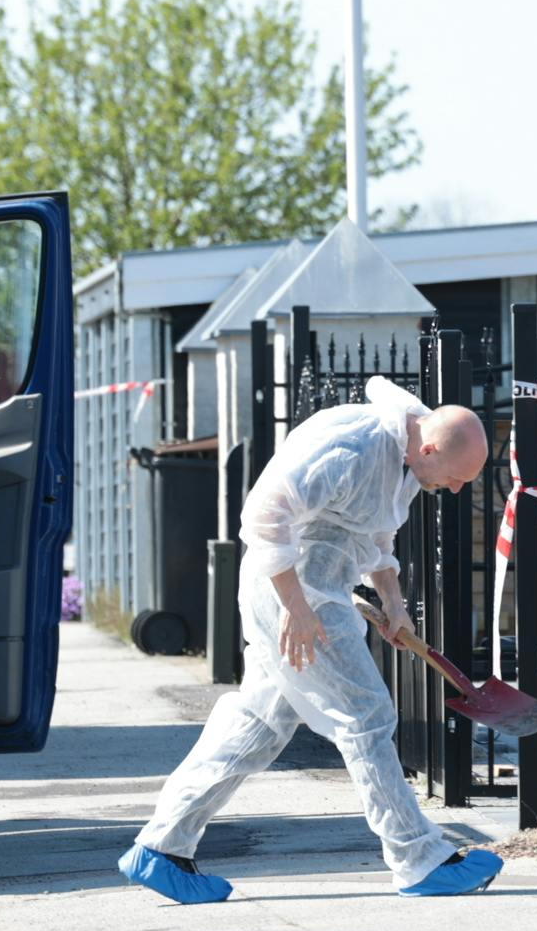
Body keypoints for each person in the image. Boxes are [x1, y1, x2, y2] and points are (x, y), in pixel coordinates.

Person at [119, 376, 503, 903]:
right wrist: (297, 609)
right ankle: (419, 859)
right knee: (367, 716)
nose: (456, 490)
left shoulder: (412, 461)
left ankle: (161, 848)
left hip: (320, 594)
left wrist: (394, 603)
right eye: (457, 479)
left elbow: (374, 534)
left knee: (257, 725)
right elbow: (263, 516)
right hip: (295, 598)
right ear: (431, 447)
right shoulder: (352, 444)